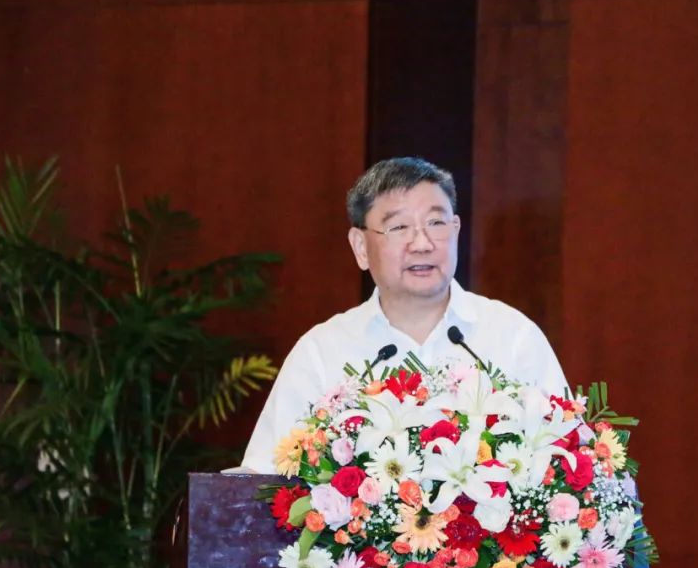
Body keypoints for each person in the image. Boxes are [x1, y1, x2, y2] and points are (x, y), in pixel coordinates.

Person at [237, 157, 568, 473]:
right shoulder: (322, 352)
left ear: (456, 231)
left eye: (436, 223)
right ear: (361, 247)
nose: (422, 243)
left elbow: (568, 457)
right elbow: (264, 478)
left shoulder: (512, 337)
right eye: (398, 227)